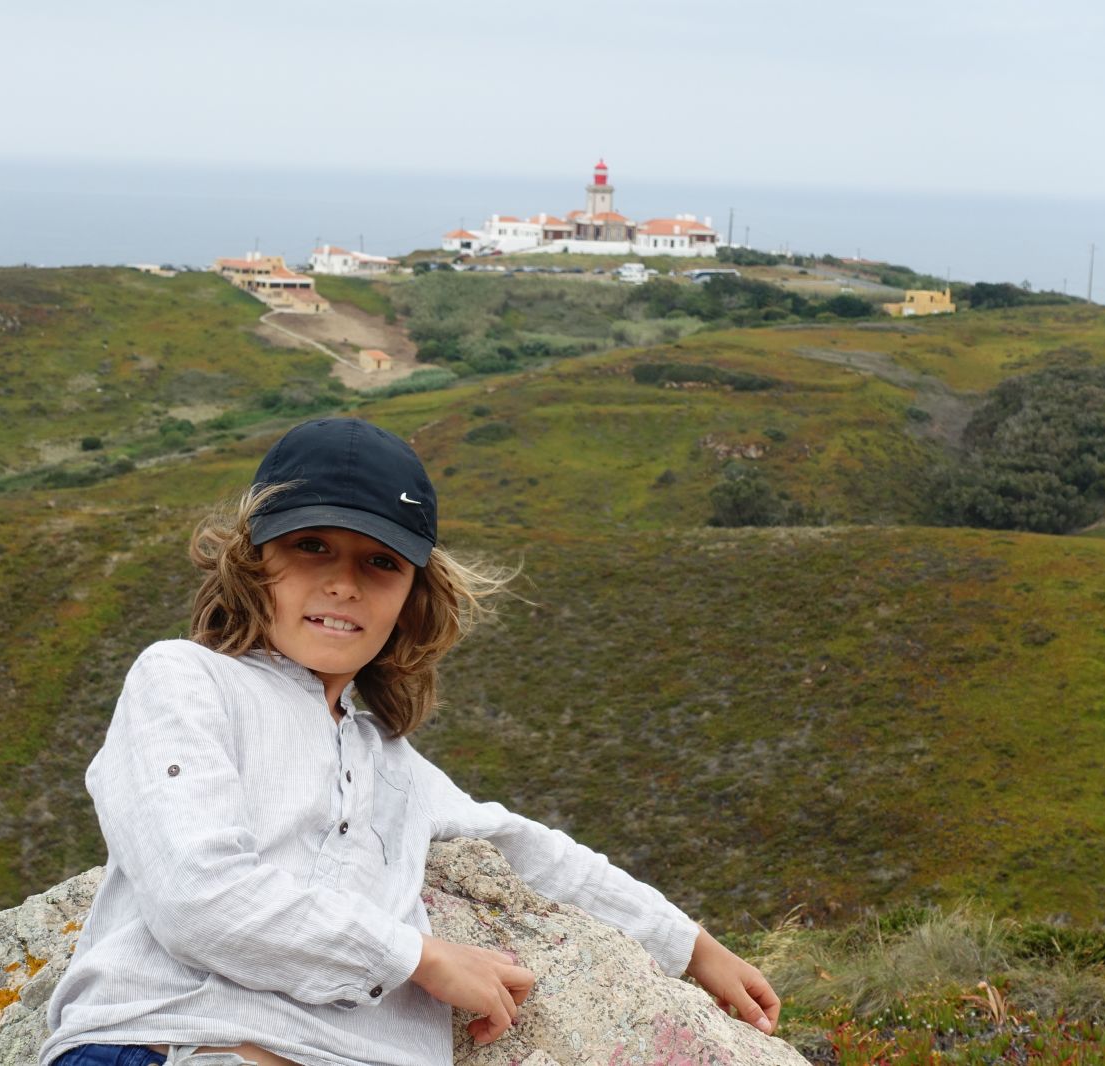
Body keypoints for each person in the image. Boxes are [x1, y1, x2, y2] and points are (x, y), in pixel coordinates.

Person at [40, 418, 779, 1066]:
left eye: (381, 562)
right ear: (252, 558)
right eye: (310, 545)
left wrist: (693, 947)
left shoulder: (393, 764)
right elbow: (198, 897)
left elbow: (536, 853)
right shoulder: (184, 678)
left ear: (412, 596)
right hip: (173, 1042)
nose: (343, 584)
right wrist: (416, 958)